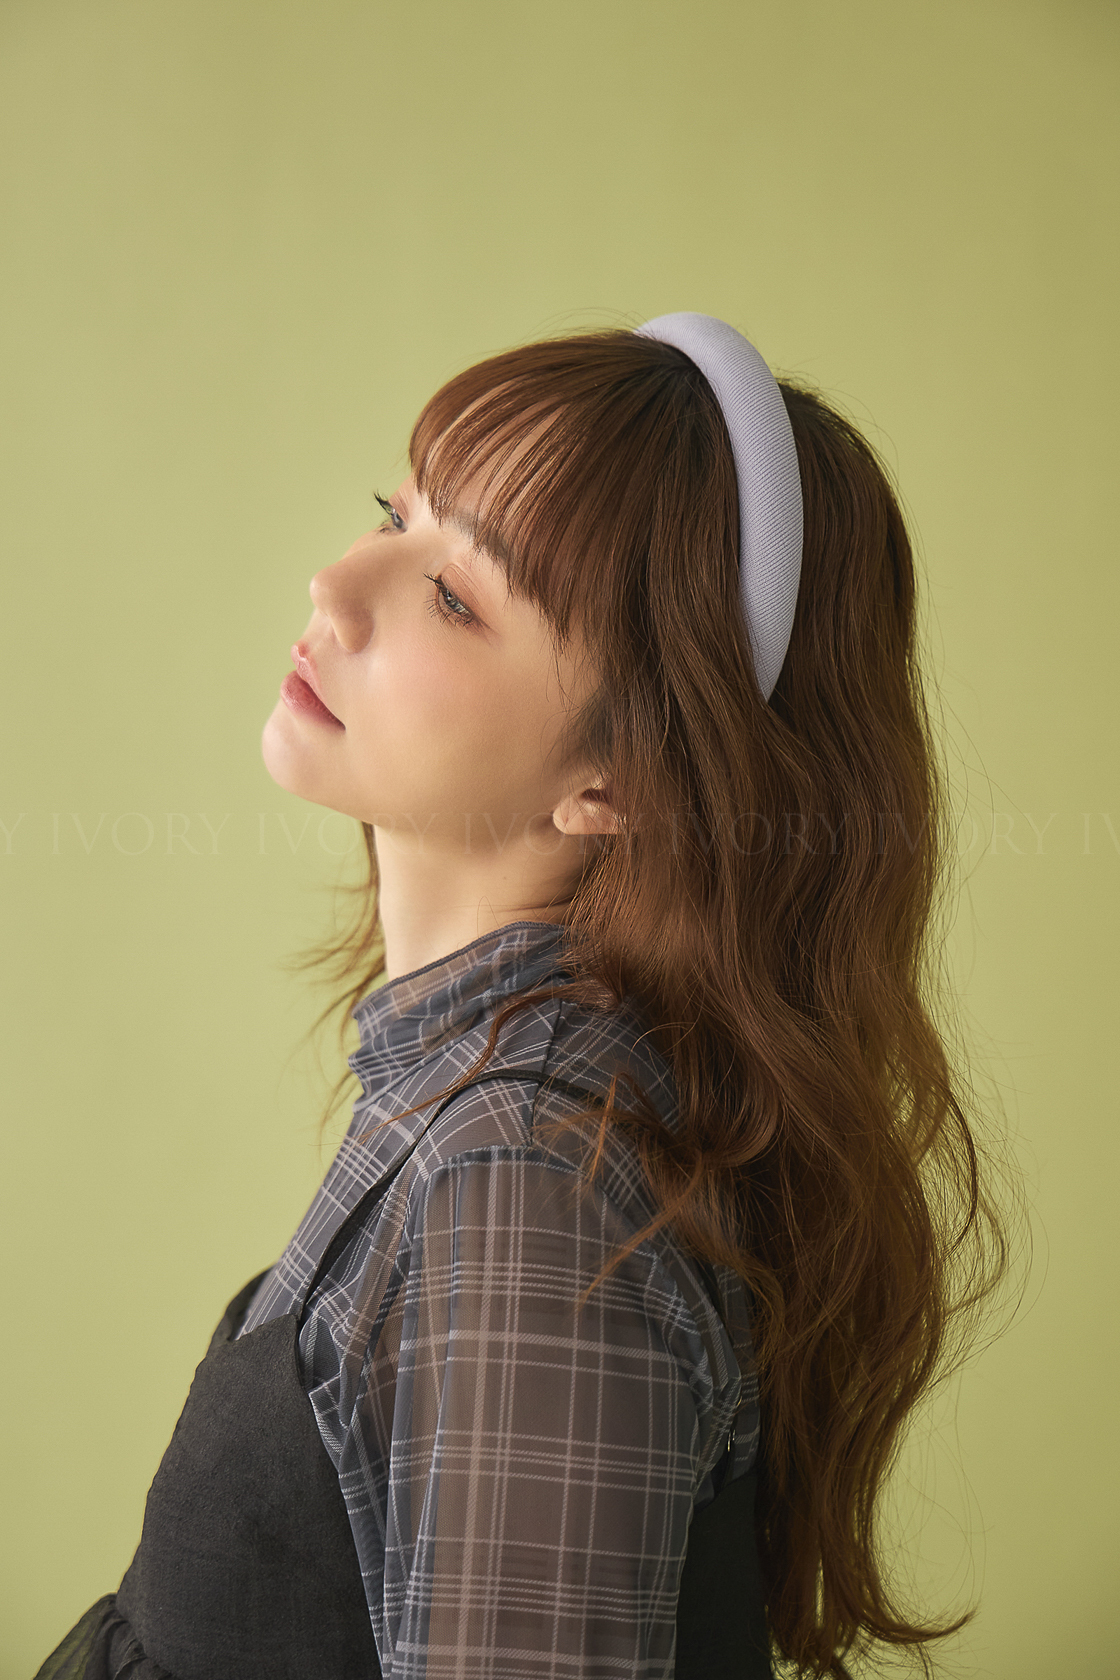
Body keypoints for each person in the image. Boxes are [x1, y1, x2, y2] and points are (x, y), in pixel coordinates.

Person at [35, 313, 1007, 1680]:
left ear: (618, 782)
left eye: (455, 595)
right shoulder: (494, 1105)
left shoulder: (529, 1185)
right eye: (397, 513)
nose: (335, 582)